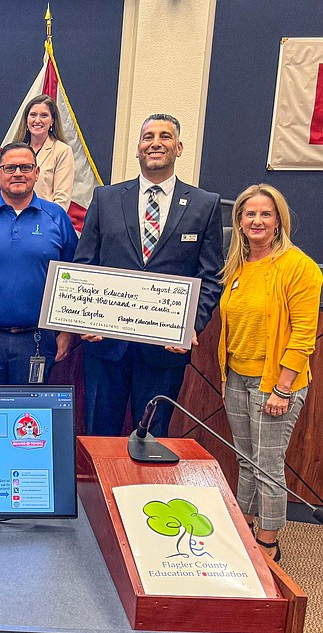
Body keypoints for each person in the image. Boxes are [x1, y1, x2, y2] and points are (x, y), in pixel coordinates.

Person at [74, 114, 223, 437]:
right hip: (106, 345)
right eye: (148, 137)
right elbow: (85, 264)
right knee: (99, 437)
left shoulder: (204, 205)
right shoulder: (105, 198)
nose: (155, 143)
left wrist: (192, 326)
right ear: (138, 149)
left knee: (153, 439)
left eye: (165, 136)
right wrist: (85, 318)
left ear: (179, 148)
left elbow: (211, 276)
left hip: (164, 350)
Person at [219, 184, 321, 562]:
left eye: (266, 214)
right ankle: (245, 525)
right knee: (246, 460)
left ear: (279, 221)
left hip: (275, 384)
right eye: (250, 214)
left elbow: (304, 336)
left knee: (267, 466)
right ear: (239, 221)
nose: (257, 220)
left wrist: (283, 388)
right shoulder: (238, 264)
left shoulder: (298, 266)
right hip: (237, 377)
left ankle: (267, 543)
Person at [0, 143, 77, 385]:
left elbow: (74, 276)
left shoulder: (57, 217)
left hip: (36, 339)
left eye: (25, 167)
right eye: (10, 168)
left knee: (29, 409)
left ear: (37, 173)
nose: (17, 174)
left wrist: (66, 331)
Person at [13, 94, 75, 210]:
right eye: (33, 115)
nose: (37, 120)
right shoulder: (14, 151)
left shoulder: (62, 151)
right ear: (26, 120)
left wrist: (46, 219)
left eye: (44, 115)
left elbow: (62, 201)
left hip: (44, 218)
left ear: (52, 121)